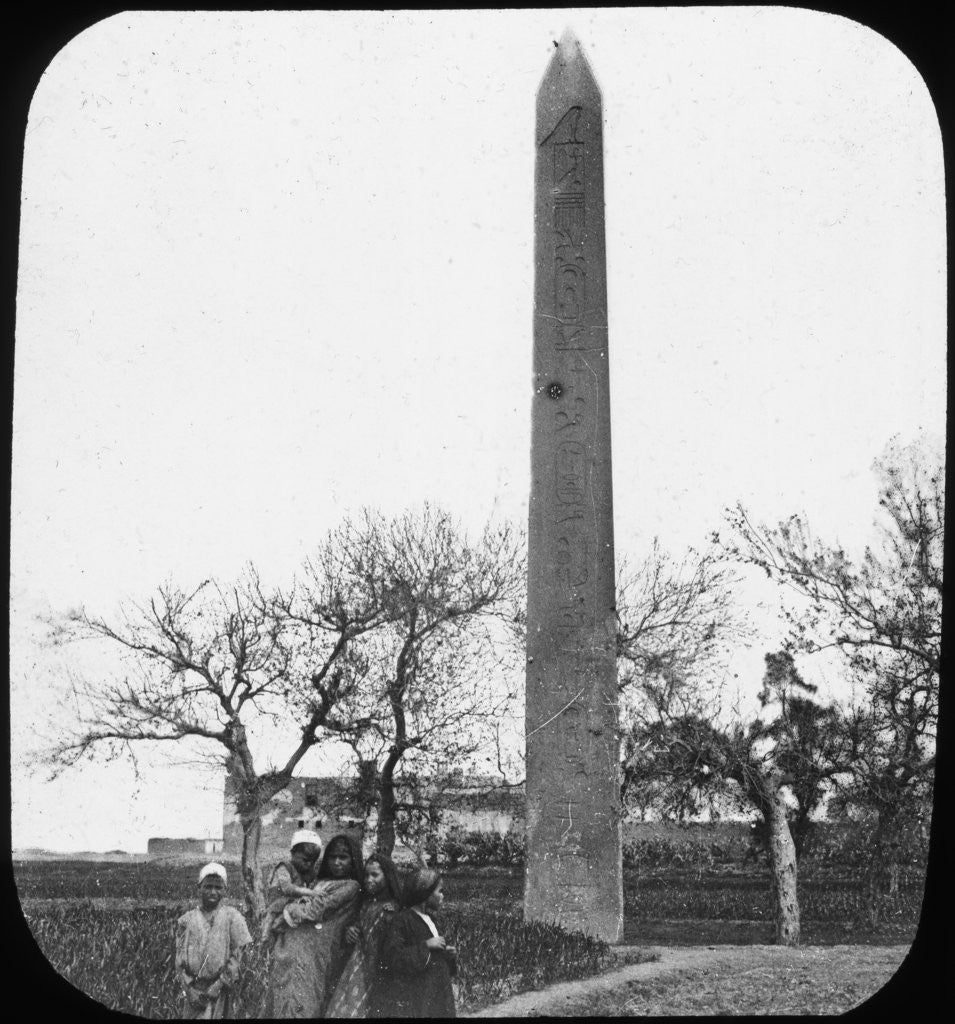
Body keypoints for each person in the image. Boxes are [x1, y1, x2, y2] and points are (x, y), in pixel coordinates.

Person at [264, 830, 363, 1018]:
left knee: (303, 1004)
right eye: (333, 857)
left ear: (354, 860)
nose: (337, 862)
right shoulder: (319, 881)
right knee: (281, 1001)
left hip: (313, 956)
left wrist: (288, 913)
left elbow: (317, 908)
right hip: (289, 950)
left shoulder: (350, 886)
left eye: (343, 857)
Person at [325, 851, 403, 1018]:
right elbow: (359, 927)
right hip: (357, 967)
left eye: (375, 875)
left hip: (379, 970)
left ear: (388, 876)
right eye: (366, 875)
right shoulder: (366, 904)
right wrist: (351, 931)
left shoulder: (394, 907)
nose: (369, 880)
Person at [175, 862, 252, 1019]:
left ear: (225, 890)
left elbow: (237, 958)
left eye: (218, 887)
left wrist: (218, 985)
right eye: (208, 886)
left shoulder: (233, 918)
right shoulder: (186, 920)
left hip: (221, 991)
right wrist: (189, 990)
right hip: (194, 993)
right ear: (199, 888)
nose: (213, 891)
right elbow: (179, 961)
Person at [380, 867, 457, 1018]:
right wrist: (426, 946)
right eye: (440, 891)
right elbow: (394, 957)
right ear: (426, 894)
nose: (443, 896)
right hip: (419, 995)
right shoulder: (402, 920)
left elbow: (437, 957)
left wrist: (448, 955)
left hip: (439, 991)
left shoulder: (431, 919)